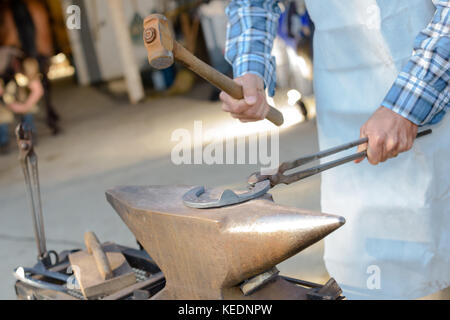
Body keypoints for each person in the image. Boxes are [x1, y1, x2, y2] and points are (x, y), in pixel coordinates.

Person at [221, 0, 449, 299]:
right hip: (341, 88)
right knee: (362, 266)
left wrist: (406, 107)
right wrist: (250, 70)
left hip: (433, 86)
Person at [0, 47, 43, 154]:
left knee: (28, 111)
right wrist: (9, 104)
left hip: (17, 94)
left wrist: (25, 107)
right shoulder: (3, 65)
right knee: (2, 116)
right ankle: (3, 142)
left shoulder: (27, 63)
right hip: (4, 92)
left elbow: (38, 90)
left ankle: (30, 135)